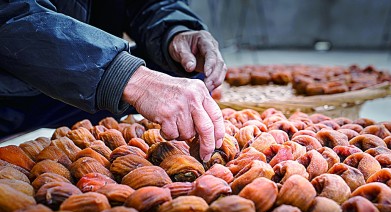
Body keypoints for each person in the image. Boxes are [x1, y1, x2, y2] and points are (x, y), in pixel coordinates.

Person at [0, 0, 227, 162]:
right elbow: (10, 14)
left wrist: (174, 31)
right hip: (10, 92)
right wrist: (131, 79)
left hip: (81, 87)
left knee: (188, 74)